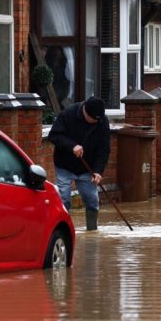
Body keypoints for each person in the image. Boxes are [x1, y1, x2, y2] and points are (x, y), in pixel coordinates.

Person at [48, 96, 111, 231]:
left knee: (92, 201)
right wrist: (72, 146)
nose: (96, 122)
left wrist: (98, 171)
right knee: (63, 198)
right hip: (64, 165)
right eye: (94, 119)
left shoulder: (102, 122)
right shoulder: (68, 114)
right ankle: (63, 230)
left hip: (87, 169)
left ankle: (92, 230)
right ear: (86, 112)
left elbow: (104, 149)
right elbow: (54, 135)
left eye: (98, 120)